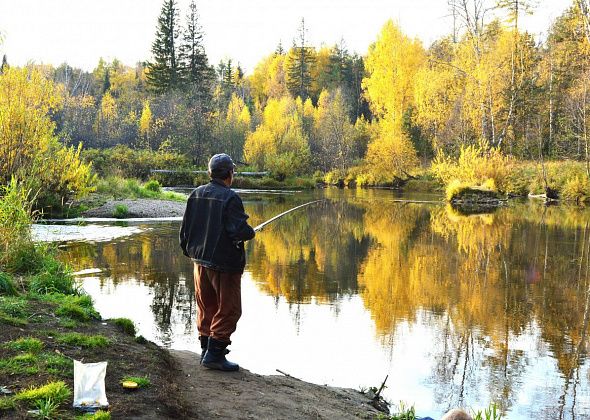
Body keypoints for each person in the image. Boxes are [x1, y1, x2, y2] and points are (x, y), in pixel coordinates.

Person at [179, 153, 255, 371]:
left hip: (199, 261)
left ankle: (206, 349)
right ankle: (214, 354)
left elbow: (184, 232)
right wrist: (250, 232)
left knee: (206, 305)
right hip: (224, 264)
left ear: (210, 172)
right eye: (233, 172)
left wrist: (191, 253)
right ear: (229, 174)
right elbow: (239, 231)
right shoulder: (230, 198)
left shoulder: (196, 194)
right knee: (230, 309)